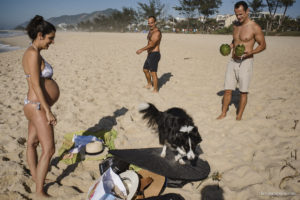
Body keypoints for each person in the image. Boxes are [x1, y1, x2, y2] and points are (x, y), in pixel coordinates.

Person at [22, 15, 59, 198]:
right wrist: (48, 110)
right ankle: (39, 191)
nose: (52, 42)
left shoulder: (34, 52)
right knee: (49, 149)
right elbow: (36, 84)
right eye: (50, 38)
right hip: (37, 105)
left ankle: (37, 178)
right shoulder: (32, 53)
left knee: (32, 143)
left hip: (34, 104)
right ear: (40, 35)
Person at [217, 1, 266, 120]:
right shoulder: (235, 25)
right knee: (227, 90)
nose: (238, 17)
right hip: (233, 61)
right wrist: (229, 46)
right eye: (236, 14)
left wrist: (252, 52)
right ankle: (223, 113)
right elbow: (235, 40)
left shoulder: (254, 27)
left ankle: (239, 116)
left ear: (247, 11)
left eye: (240, 14)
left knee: (243, 91)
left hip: (246, 62)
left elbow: (262, 45)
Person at [136, 16, 162, 93]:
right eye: (149, 23)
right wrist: (148, 53)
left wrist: (142, 49)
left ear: (155, 22)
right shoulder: (150, 31)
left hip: (155, 53)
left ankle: (155, 89)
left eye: (151, 22)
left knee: (153, 72)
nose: (150, 24)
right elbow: (149, 43)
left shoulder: (157, 32)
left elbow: (152, 44)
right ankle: (149, 84)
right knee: (145, 70)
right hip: (150, 54)